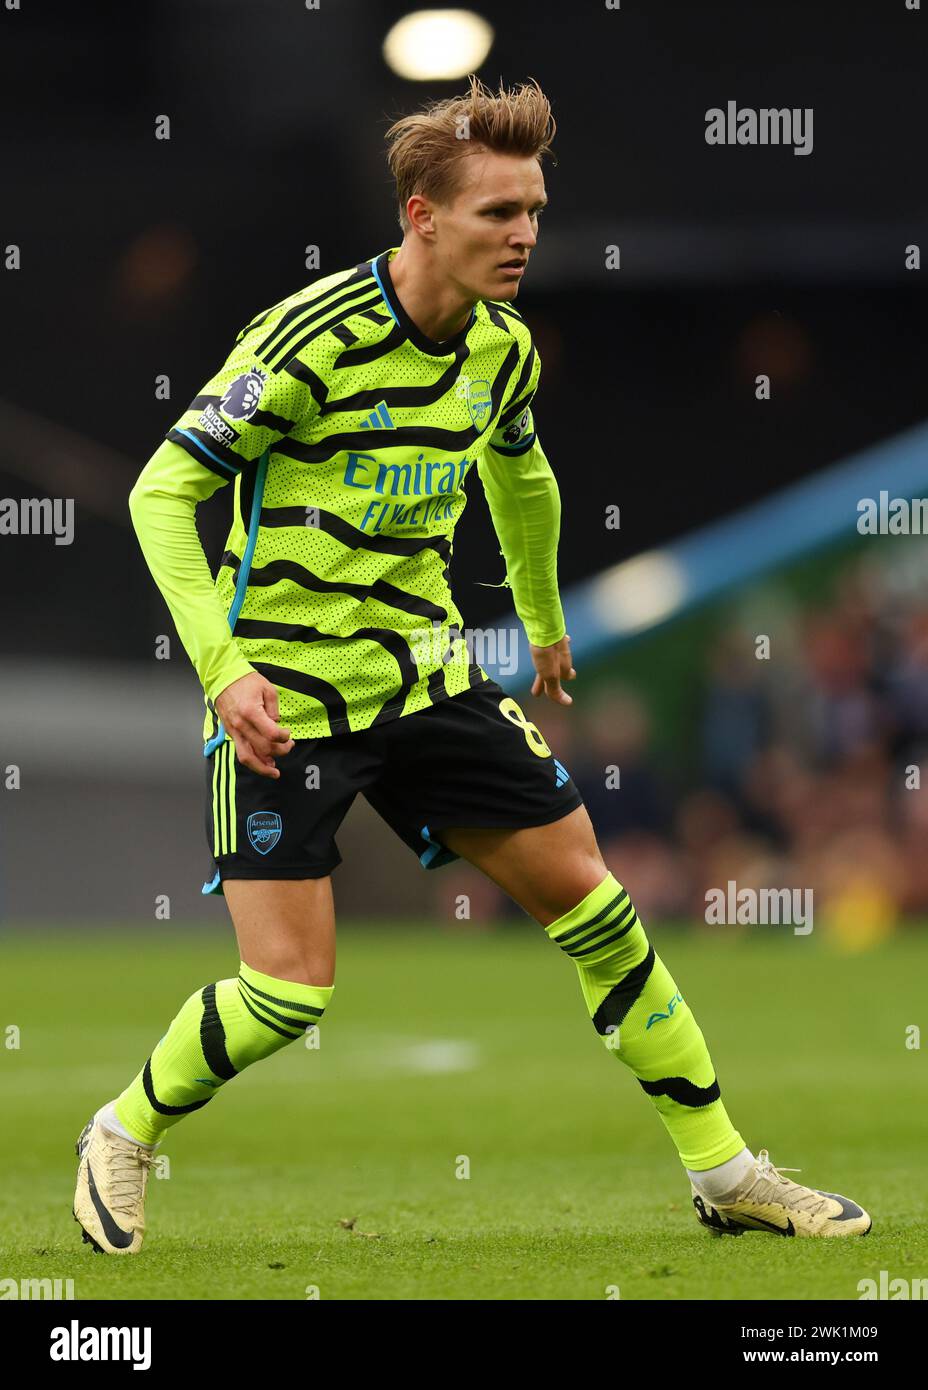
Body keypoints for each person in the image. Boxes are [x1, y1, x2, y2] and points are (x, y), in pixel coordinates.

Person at [73, 76, 870, 1255]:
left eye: (534, 209)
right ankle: (124, 1129)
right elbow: (161, 488)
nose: (525, 234)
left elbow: (524, 477)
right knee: (289, 993)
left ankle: (726, 1171)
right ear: (421, 216)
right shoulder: (307, 341)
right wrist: (221, 668)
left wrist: (543, 621)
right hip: (282, 699)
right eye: (498, 211)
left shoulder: (500, 353)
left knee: (598, 908)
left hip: (430, 677)